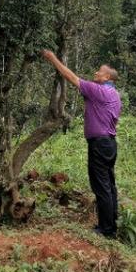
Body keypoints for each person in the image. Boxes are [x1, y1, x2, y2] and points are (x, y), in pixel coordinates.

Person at [41, 49, 122, 239]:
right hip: (109, 143)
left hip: (100, 144)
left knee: (101, 186)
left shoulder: (98, 91)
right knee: (109, 185)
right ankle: (112, 224)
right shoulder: (115, 95)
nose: (96, 73)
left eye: (99, 72)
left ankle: (106, 230)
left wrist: (53, 59)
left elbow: (72, 78)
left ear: (107, 77)